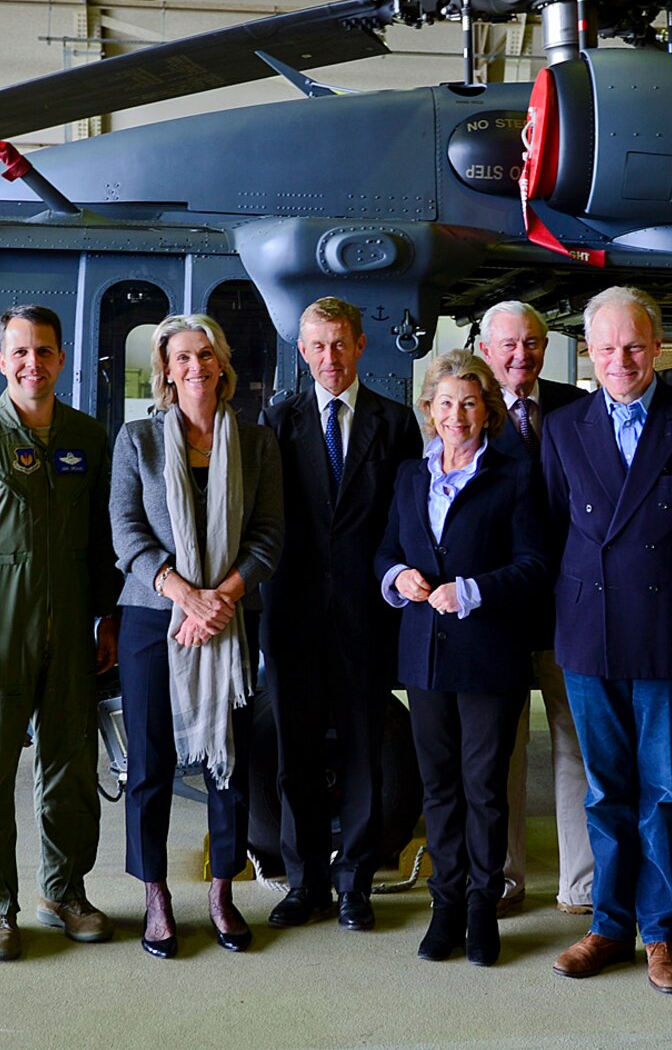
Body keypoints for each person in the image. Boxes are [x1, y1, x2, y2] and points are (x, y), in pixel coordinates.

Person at [540, 285, 672, 996]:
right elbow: (554, 523)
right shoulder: (562, 427)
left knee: (662, 793)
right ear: (589, 352)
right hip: (589, 632)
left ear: (658, 346)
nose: (620, 359)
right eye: (605, 348)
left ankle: (661, 935)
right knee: (605, 792)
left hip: (668, 633)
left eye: (633, 345)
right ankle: (607, 926)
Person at [0, 304, 120, 962]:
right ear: (2, 360)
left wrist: (107, 615)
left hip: (70, 635)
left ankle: (64, 892)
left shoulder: (89, 439)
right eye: (21, 352)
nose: (33, 363)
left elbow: (102, 542)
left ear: (62, 359)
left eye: (45, 351)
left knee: (70, 768)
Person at [110, 313, 284, 959]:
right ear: (165, 368)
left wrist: (221, 598)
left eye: (204, 353)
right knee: (151, 763)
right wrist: (187, 596)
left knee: (228, 762)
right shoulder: (138, 442)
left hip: (230, 616)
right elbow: (127, 532)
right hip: (154, 617)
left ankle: (220, 891)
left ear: (222, 363)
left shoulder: (258, 444)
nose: (194, 366)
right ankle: (155, 896)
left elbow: (269, 535)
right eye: (181, 356)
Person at [375, 350, 549, 967]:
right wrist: (398, 577)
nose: (456, 414)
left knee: (483, 788)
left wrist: (472, 589)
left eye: (470, 403)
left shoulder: (516, 473)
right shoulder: (408, 475)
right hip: (424, 657)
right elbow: (386, 552)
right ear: (429, 409)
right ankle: (444, 905)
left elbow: (535, 565)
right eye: (445, 403)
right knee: (438, 787)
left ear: (488, 410)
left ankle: (482, 909)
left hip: (488, 657)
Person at [259, 296, 418, 931]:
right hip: (291, 612)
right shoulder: (278, 421)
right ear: (303, 352)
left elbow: (403, 520)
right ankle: (306, 884)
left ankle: (356, 883)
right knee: (293, 751)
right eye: (317, 346)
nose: (330, 357)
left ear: (360, 346)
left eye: (340, 344)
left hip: (365, 613)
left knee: (364, 750)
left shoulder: (396, 422)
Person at [477, 299, 594, 919]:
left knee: (577, 746)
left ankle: (582, 886)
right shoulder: (465, 407)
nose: (522, 356)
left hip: (568, 609)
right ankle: (502, 879)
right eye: (510, 345)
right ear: (487, 349)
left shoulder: (579, 406)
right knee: (502, 749)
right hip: (496, 608)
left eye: (533, 344)